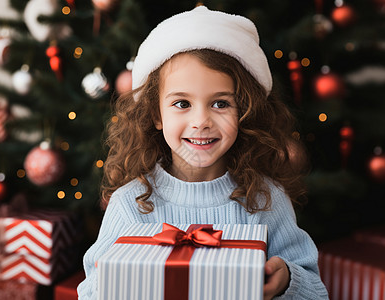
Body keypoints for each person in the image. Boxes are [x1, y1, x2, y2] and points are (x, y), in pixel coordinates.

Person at [78, 5, 328, 300]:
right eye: (182, 103)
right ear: (155, 115)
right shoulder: (129, 204)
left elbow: (315, 292)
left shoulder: (265, 201)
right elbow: (91, 290)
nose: (201, 122)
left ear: (244, 112)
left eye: (221, 103)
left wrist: (287, 280)